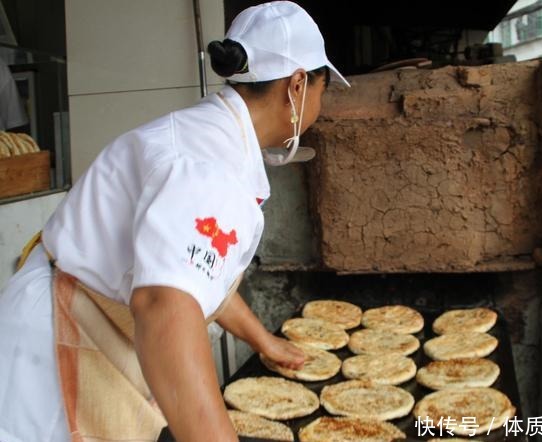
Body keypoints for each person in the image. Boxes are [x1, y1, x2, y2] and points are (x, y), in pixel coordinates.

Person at [0, 2, 349, 441]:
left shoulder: (211, 138)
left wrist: (263, 339)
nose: (320, 100)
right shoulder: (208, 165)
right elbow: (166, 306)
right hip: (46, 355)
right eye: (322, 87)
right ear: (297, 84)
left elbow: (194, 270)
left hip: (83, 326)